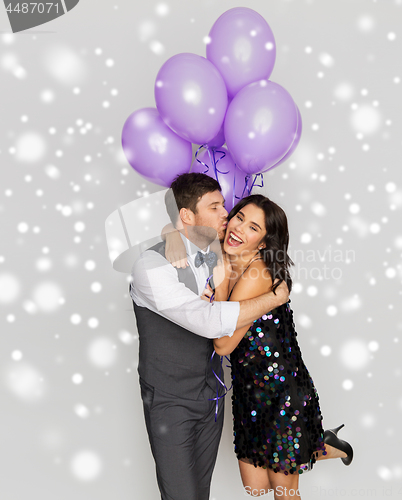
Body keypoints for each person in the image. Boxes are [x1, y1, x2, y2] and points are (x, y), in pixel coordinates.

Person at [129, 174, 290, 500]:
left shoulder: (220, 252)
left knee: (200, 493)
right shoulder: (151, 266)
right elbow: (208, 322)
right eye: (216, 207)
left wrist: (175, 232)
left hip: (214, 396)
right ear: (187, 215)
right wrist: (274, 298)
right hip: (170, 401)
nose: (226, 216)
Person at [198, 194, 354, 500]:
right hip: (248, 392)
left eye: (253, 227)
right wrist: (222, 266)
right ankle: (321, 442)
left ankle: (315, 442)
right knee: (255, 488)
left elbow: (223, 343)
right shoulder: (230, 261)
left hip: (282, 394)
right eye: (240, 217)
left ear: (264, 243)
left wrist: (216, 290)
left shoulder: (257, 273)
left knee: (284, 492)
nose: (239, 228)